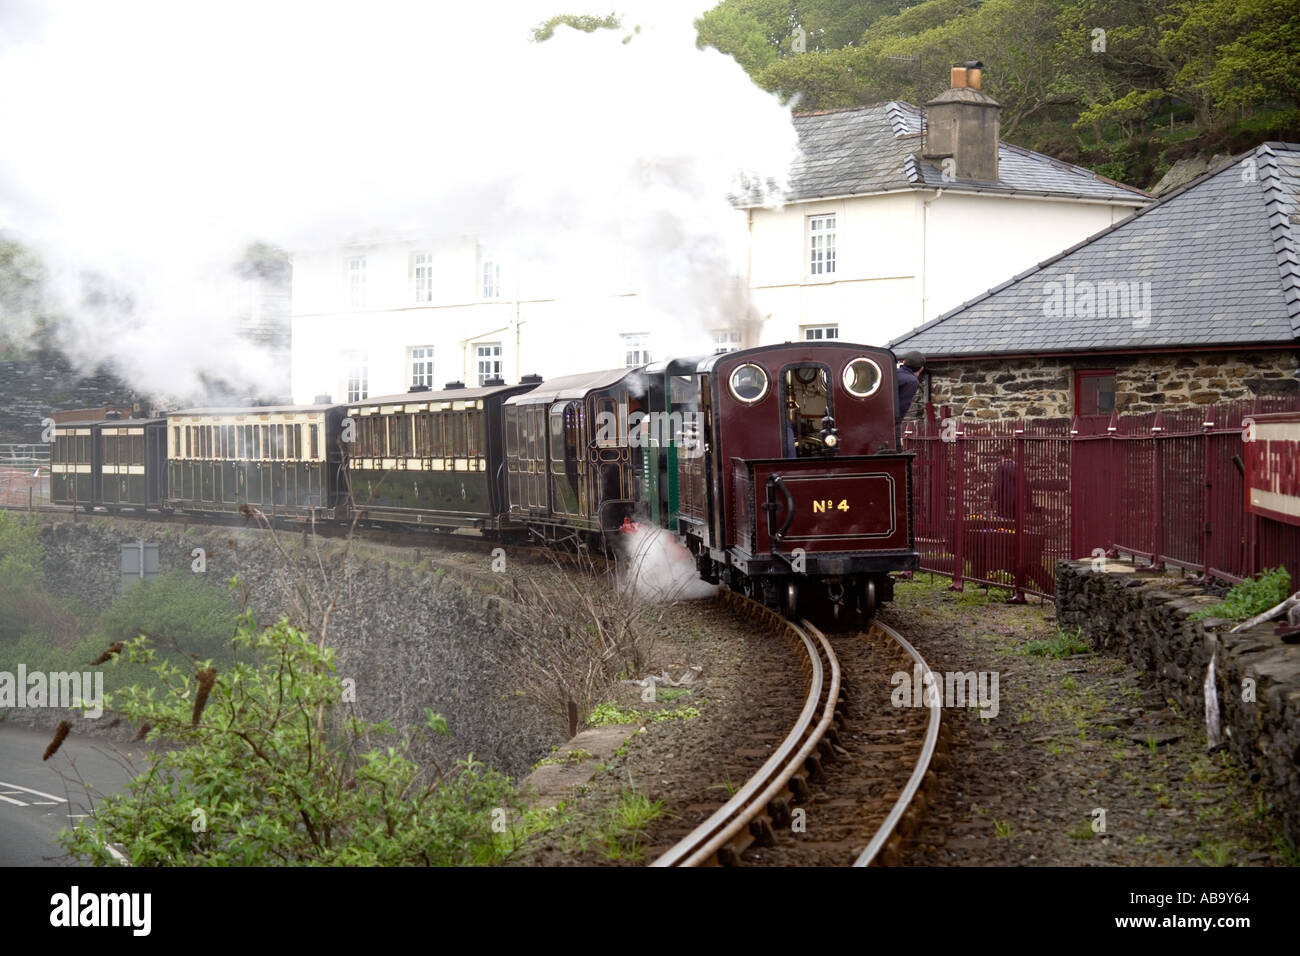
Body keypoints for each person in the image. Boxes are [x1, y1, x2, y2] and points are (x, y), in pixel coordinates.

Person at [895, 350, 925, 445]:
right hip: (888, 425)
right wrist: (896, 434)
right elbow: (900, 408)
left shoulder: (893, 372)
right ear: (921, 369)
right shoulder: (911, 381)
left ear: (903, 362)